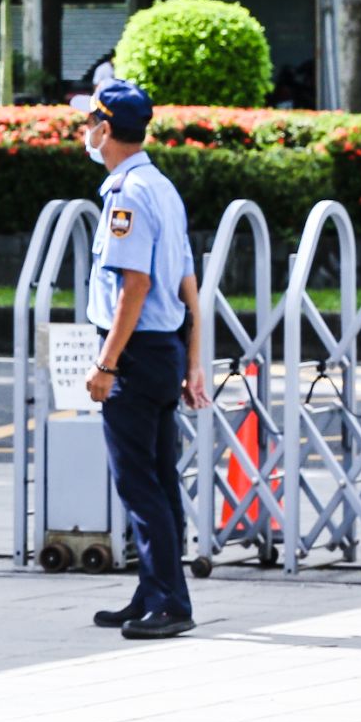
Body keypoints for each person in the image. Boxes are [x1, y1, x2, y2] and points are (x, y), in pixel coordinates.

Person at [74, 77, 208, 639]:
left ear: (105, 129)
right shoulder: (160, 185)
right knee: (160, 477)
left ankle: (171, 602)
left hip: (133, 350)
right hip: (163, 347)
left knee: (139, 483)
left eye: (88, 123)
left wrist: (106, 365)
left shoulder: (126, 193)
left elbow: (135, 285)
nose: (83, 132)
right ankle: (154, 589)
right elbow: (187, 284)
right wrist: (193, 359)